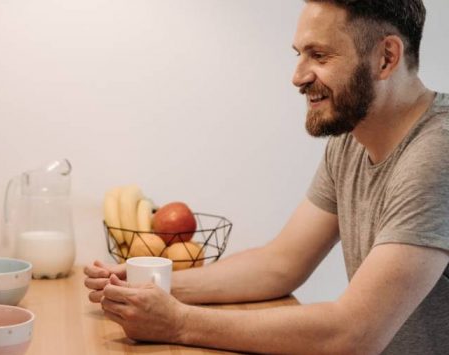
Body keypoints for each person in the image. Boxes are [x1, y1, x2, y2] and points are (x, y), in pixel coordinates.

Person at [84, 1, 448, 353]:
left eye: (319, 56)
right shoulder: (352, 142)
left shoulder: (438, 152)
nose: (298, 77)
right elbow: (279, 265)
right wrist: (150, 285)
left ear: (386, 58)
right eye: (299, 54)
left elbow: (354, 332)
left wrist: (178, 323)